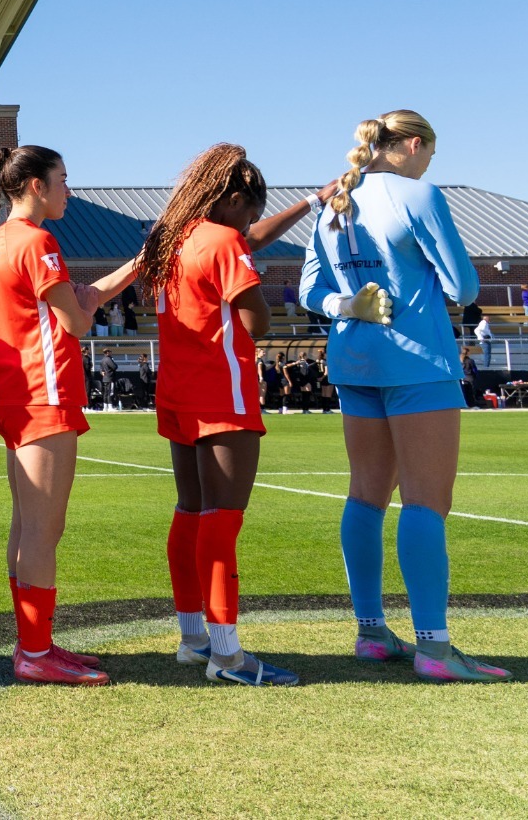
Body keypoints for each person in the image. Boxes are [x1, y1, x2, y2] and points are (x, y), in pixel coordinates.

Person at [302, 110, 507, 681]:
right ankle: (434, 648)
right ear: (414, 145)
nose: (429, 164)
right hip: (417, 361)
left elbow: (309, 290)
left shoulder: (333, 202)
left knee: (365, 497)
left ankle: (370, 632)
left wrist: (352, 305)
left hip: (354, 360)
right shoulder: (420, 195)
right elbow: (463, 286)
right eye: (430, 154)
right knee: (425, 503)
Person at [134, 144, 328, 686]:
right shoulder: (223, 242)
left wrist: (313, 201)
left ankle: (194, 639)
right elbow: (255, 321)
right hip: (223, 395)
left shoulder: (170, 238)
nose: (251, 223)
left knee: (191, 512)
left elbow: (240, 241)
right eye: (251, 211)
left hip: (177, 393)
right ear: (237, 199)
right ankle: (228, 656)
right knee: (222, 523)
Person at [0, 145, 137, 685]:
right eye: (63, 180)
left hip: (16, 394)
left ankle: (35, 643)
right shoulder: (39, 240)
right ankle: (35, 651)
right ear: (35, 187)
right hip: (44, 393)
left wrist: (138, 264)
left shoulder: (0, 240)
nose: (68, 190)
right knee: (44, 530)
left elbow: (75, 298)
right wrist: (88, 304)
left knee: (27, 526)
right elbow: (77, 321)